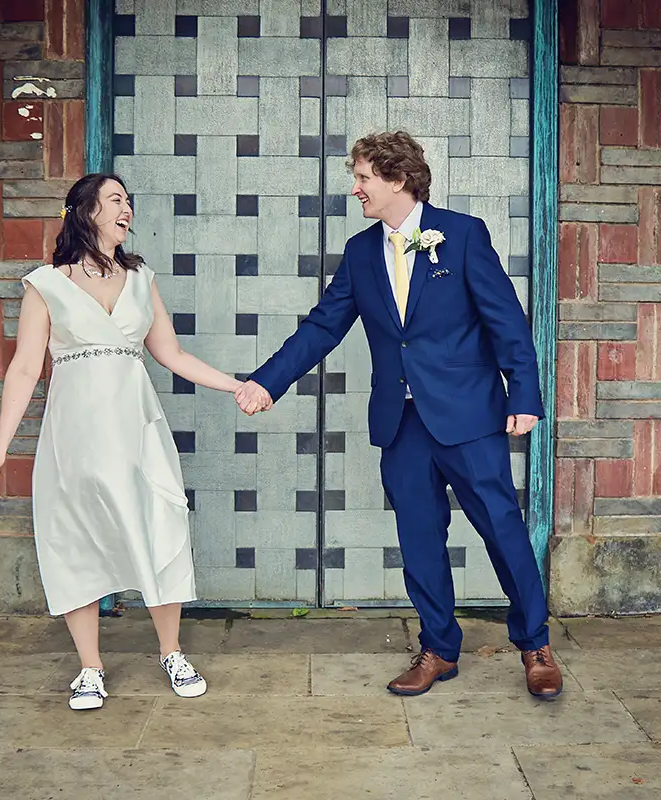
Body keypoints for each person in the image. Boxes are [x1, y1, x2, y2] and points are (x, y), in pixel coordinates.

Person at [235, 131, 563, 700]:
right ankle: (439, 649)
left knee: (502, 530)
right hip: (401, 422)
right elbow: (323, 326)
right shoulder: (361, 252)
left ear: (398, 180)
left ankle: (535, 644)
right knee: (418, 540)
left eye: (363, 177)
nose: (355, 188)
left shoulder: (461, 235)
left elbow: (506, 321)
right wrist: (267, 382)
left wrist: (525, 395)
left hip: (469, 416)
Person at [0, 173, 242, 710]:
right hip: (74, 434)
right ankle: (90, 667)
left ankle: (172, 652)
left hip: (137, 429)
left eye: (129, 201)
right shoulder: (45, 284)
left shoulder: (140, 277)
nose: (127, 209)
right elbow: (25, 368)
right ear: (85, 212)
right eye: (116, 200)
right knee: (74, 537)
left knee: (159, 526)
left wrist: (240, 385)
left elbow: (172, 355)